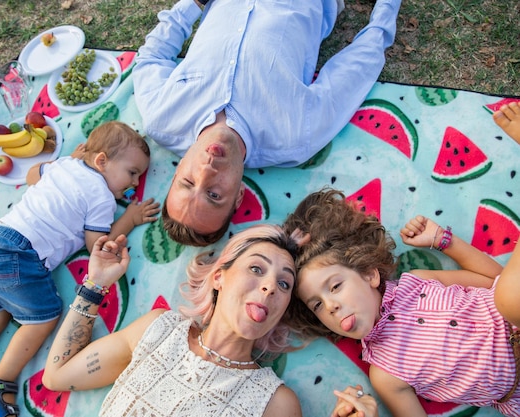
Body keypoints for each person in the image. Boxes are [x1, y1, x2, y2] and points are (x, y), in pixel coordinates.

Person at [0, 121, 161, 417]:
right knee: (44, 316)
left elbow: (32, 175)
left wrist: (71, 161)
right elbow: (97, 245)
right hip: (19, 254)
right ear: (101, 161)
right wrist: (131, 218)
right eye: (132, 172)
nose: (135, 183)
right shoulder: (101, 195)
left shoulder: (65, 164)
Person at [133, 0, 402, 246]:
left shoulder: (161, 118)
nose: (207, 171)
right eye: (214, 194)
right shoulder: (293, 138)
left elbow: (151, 58)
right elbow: (359, 66)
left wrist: (194, 4)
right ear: (239, 195)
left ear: (178, 169)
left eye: (188, 182)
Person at [42, 227, 378, 417]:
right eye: (257, 269)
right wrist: (95, 284)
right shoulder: (158, 330)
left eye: (284, 284)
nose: (270, 286)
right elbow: (57, 374)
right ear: (219, 277)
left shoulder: (275, 403)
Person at [282, 188, 520, 416]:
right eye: (317, 305)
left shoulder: (418, 281)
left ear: (369, 274)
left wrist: (443, 240)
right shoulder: (385, 374)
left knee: (508, 298)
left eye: (335, 287)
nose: (330, 306)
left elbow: (494, 280)